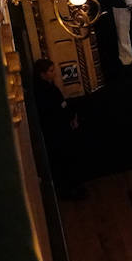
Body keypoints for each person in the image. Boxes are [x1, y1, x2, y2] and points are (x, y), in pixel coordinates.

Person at [33, 58, 85, 199]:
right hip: (57, 131)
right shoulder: (44, 92)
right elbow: (55, 110)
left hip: (62, 128)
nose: (54, 73)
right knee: (63, 160)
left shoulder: (50, 87)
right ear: (42, 74)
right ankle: (68, 190)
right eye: (51, 71)